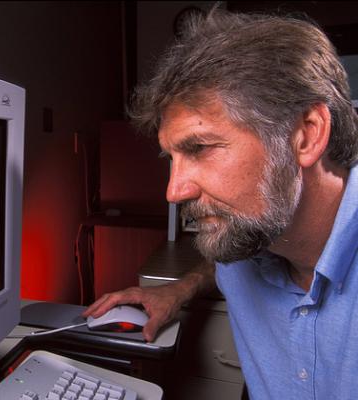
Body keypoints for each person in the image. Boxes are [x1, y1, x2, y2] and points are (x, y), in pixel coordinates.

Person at [83, 7, 358, 400]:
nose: (174, 192)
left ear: (306, 136)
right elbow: (227, 262)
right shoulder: (257, 231)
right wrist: (181, 289)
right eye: (171, 158)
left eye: (200, 147)